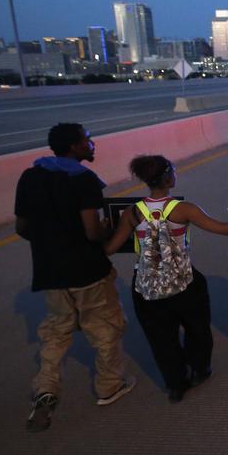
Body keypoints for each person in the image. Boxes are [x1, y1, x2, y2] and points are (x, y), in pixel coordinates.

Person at [15, 123, 136, 432]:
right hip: (86, 270)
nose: (92, 144)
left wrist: (49, 243)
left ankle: (46, 388)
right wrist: (114, 232)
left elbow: (22, 227)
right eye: (87, 141)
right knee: (104, 327)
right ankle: (110, 385)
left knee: (56, 331)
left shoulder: (30, 176)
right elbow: (92, 230)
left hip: (49, 272)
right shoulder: (83, 180)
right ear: (73, 147)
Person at [104, 155, 228, 402]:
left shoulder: (132, 212)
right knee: (198, 329)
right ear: (168, 176)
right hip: (184, 284)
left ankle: (175, 385)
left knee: (161, 339)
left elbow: (110, 248)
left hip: (147, 288)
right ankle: (200, 369)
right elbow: (224, 229)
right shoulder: (183, 209)